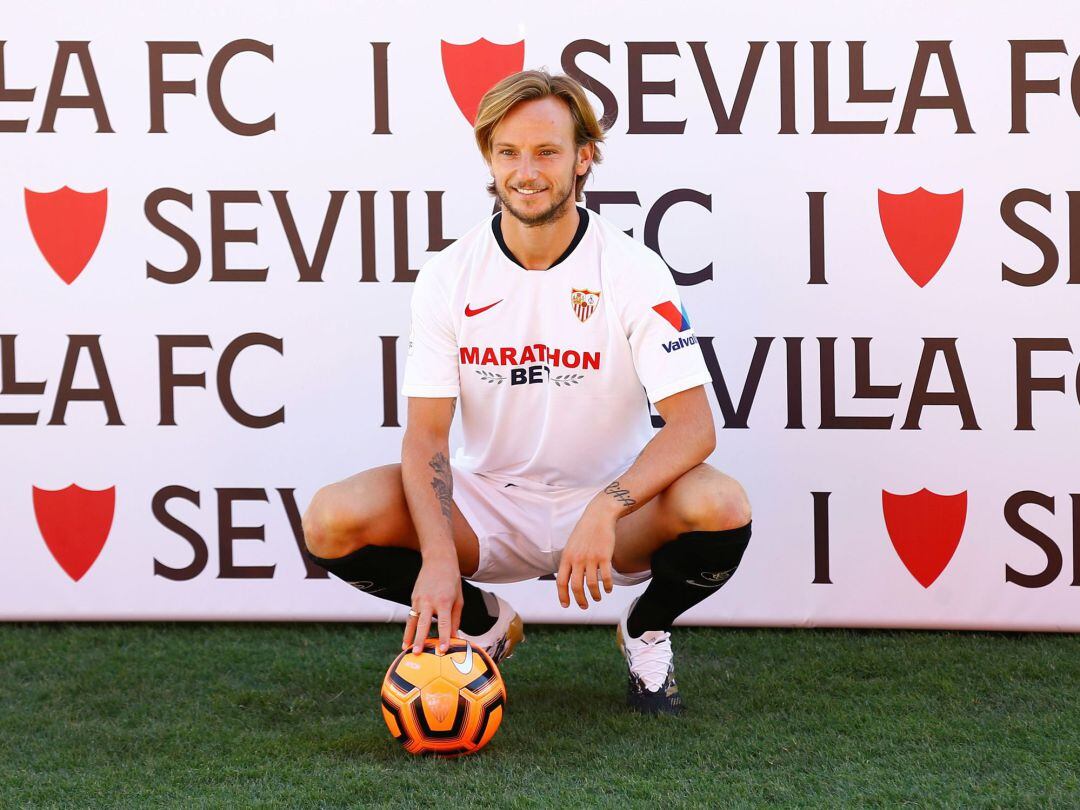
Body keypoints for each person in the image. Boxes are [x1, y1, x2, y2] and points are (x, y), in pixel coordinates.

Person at [302, 69, 752, 715]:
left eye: (547, 151)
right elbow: (426, 435)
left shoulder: (631, 268)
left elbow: (693, 427)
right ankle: (484, 618)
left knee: (721, 503)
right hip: (488, 506)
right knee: (331, 518)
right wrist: (435, 561)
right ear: (489, 157)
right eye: (508, 152)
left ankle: (646, 629)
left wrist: (606, 508)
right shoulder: (448, 274)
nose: (527, 171)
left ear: (583, 157)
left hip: (611, 508)